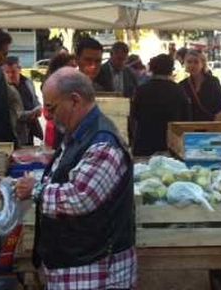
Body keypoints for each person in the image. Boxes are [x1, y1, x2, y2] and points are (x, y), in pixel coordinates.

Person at [15, 67, 136, 289]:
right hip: (78, 262)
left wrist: (35, 190)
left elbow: (80, 197)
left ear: (74, 100)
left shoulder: (102, 143)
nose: (47, 115)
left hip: (95, 268)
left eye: (51, 107)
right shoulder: (79, 133)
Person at [131, 54, 190, 156]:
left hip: (144, 143)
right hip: (171, 145)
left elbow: (134, 115)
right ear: (171, 70)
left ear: (152, 69)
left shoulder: (141, 90)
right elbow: (187, 118)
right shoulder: (179, 91)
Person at [3, 56, 43, 145]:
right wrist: (32, 113)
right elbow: (16, 114)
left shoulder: (27, 82)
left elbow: (34, 98)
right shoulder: (4, 89)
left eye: (13, 72)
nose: (10, 75)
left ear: (19, 69)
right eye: (7, 72)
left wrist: (39, 107)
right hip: (16, 133)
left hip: (31, 129)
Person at [179, 49, 221, 121]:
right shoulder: (183, 85)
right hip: (190, 126)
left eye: (196, 62)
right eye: (189, 62)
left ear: (202, 64)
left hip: (211, 124)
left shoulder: (213, 82)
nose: (192, 65)